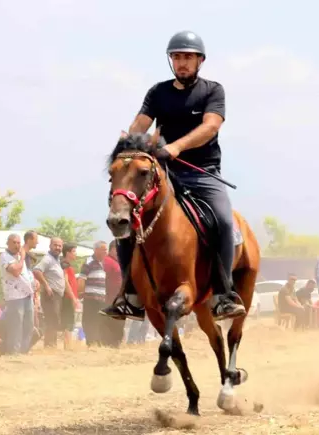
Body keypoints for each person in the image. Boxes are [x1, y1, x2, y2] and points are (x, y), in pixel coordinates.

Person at [101, 30, 244, 322]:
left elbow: (211, 127)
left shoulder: (212, 91)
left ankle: (223, 294)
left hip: (203, 173)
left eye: (188, 57)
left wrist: (176, 147)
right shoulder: (158, 92)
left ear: (200, 61)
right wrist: (129, 146)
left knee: (224, 221)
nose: (182, 62)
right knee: (127, 220)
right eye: (177, 57)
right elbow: (140, 124)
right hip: (163, 174)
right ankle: (130, 296)